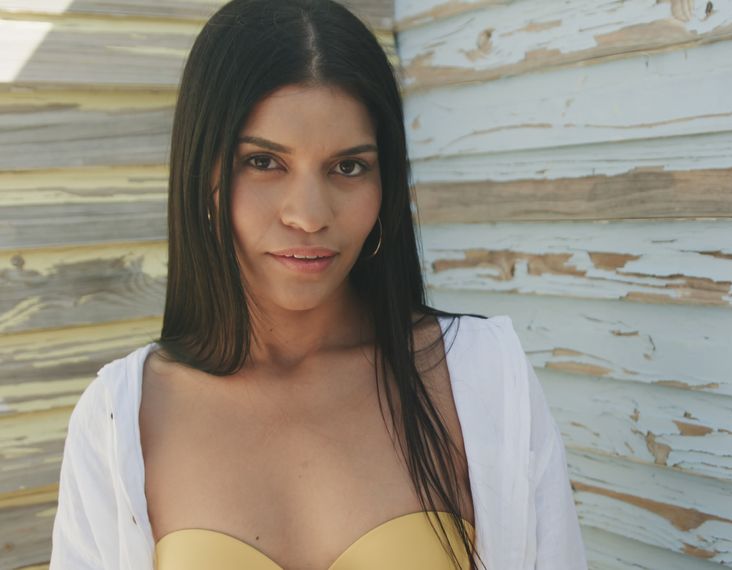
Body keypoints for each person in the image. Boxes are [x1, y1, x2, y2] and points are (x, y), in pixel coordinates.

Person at [48, 0, 588, 568]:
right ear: (201, 169)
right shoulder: (119, 421)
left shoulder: (481, 376)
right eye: (263, 162)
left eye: (348, 167)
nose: (308, 215)